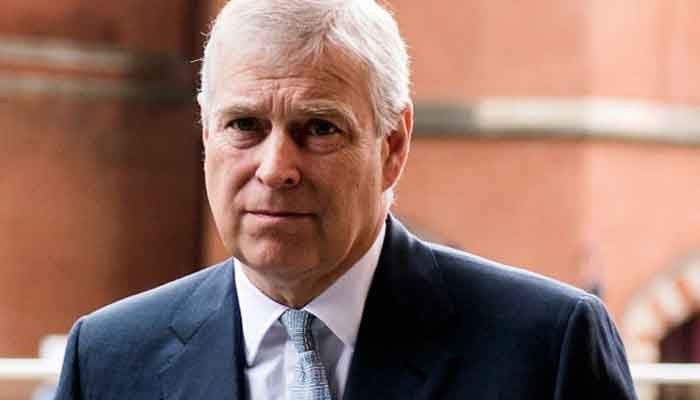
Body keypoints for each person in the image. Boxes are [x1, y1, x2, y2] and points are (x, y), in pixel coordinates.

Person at [55, 1, 638, 399]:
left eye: (319, 128)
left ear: (393, 145)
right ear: (207, 134)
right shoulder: (107, 360)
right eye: (245, 125)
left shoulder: (545, 348)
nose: (276, 169)